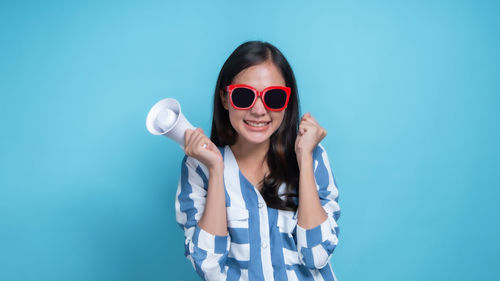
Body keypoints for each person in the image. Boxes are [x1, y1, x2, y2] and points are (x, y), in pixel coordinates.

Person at [175, 41, 341, 281]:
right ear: (225, 98)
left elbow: (316, 255)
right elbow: (210, 267)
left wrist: (304, 157)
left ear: (287, 102)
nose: (259, 110)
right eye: (244, 96)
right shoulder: (198, 168)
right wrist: (216, 168)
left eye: (273, 97)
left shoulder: (312, 156)